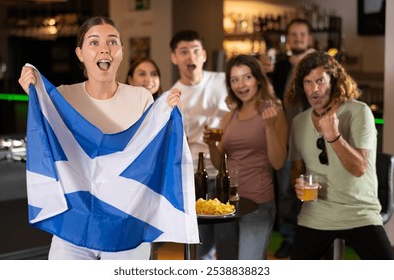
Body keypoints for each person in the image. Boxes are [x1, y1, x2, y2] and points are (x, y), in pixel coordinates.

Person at [18, 16, 183, 260]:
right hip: (74, 224)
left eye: (112, 42)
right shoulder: (61, 97)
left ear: (121, 52)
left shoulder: (141, 98)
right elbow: (41, 149)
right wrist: (36, 99)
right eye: (94, 42)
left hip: (125, 226)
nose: (104, 48)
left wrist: (167, 117)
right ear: (80, 53)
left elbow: (152, 162)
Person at [287, 50, 394, 260]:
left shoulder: (359, 112)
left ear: (334, 81)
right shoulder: (298, 122)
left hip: (360, 212)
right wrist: (298, 183)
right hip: (316, 214)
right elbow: (297, 169)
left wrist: (334, 136)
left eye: (320, 81)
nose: (314, 90)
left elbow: (359, 168)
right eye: (307, 82)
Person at [203, 54, 287, 259]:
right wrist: (212, 145)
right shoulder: (229, 116)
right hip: (227, 203)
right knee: (226, 264)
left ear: (258, 78)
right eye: (234, 80)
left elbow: (278, 163)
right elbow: (219, 163)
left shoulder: (273, 111)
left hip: (258, 203)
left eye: (246, 77)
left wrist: (268, 128)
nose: (241, 85)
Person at [169, 30, 233, 259]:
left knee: (228, 246)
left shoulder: (224, 81)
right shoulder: (172, 96)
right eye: (183, 52)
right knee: (202, 249)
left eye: (196, 51)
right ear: (174, 58)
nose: (190, 57)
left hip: (228, 172)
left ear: (204, 55)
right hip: (195, 177)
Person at [260, 18, 315, 258]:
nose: (298, 38)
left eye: (302, 34)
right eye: (294, 34)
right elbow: (270, 96)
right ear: (288, 39)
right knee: (285, 191)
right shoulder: (280, 66)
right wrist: (264, 74)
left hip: (313, 139)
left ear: (310, 38)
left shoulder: (318, 63)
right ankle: (288, 238)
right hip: (285, 136)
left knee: (312, 189)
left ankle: (311, 240)